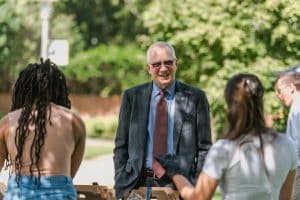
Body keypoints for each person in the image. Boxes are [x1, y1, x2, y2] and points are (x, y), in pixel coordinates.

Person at [157, 73, 297, 200]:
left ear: (231, 106)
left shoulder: (224, 149)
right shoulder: (287, 145)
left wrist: (175, 172)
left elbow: (198, 197)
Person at [113, 41, 212, 199]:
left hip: (180, 183)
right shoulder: (132, 97)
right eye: (157, 64)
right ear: (149, 68)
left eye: (168, 62)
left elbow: (205, 149)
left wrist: (196, 183)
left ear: (176, 64)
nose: (163, 68)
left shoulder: (196, 98)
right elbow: (121, 146)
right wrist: (121, 183)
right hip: (138, 183)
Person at [0, 59, 86, 199]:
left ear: (22, 90)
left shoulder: (7, 123)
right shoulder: (74, 122)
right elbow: (69, 174)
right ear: (59, 90)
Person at [274, 65, 300, 200]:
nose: (278, 96)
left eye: (279, 91)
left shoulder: (298, 108)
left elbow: (297, 145)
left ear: (291, 87)